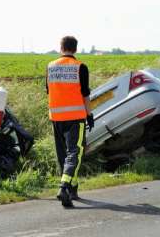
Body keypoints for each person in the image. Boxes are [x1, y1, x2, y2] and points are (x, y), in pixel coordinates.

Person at [46, 36, 94, 207]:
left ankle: (72, 190)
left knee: (63, 155)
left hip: (56, 117)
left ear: (61, 47)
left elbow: (48, 91)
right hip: (75, 118)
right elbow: (85, 94)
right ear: (75, 48)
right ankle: (64, 186)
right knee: (75, 152)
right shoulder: (80, 67)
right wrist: (89, 114)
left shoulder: (50, 67)